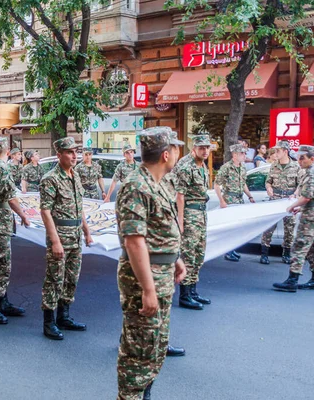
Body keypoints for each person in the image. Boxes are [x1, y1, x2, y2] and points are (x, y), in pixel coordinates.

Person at [115, 127, 187, 400]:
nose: (179, 153)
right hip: (145, 278)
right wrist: (147, 289)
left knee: (156, 344)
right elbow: (134, 241)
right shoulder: (136, 185)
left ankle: (144, 394)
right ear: (166, 154)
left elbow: (159, 230)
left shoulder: (159, 183)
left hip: (162, 273)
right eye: (177, 149)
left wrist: (175, 258)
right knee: (139, 349)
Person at [40, 137, 93, 340]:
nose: (74, 156)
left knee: (71, 278)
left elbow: (80, 209)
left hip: (76, 235)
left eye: (75, 151)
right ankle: (49, 322)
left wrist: (87, 232)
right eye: (70, 152)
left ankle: (64, 316)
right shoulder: (51, 178)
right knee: (54, 279)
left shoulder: (75, 176)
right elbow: (45, 211)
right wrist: (55, 241)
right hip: (60, 236)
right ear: (59, 154)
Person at [0, 138, 30, 324]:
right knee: (2, 264)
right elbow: (11, 197)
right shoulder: (2, 169)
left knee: (2, 262)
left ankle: (3, 301)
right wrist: (23, 216)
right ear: (7, 150)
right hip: (0, 219)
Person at [273, 145, 314, 292]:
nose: (299, 160)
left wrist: (292, 206)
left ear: (312, 159)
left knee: (299, 246)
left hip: (310, 217)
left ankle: (292, 280)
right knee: (313, 248)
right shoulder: (310, 172)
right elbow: (313, 197)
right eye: (298, 157)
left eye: (302, 158)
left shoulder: (312, 174)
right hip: (313, 213)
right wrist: (299, 207)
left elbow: (306, 197)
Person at [175, 135, 212, 311]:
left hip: (200, 214)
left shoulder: (202, 165)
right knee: (188, 255)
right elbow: (179, 195)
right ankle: (185, 295)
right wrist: (180, 221)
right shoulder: (185, 165)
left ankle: (193, 291)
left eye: (207, 147)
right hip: (189, 214)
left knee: (199, 254)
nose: (205, 151)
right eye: (201, 148)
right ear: (194, 148)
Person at [214, 143, 256, 262]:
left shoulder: (242, 167)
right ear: (235, 155)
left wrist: (250, 196)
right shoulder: (226, 167)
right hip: (229, 200)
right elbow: (217, 185)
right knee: (230, 227)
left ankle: (233, 249)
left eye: (244, 153)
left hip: (239, 200)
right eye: (242, 153)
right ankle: (228, 251)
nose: (244, 155)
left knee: (237, 227)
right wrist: (222, 201)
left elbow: (243, 184)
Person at [260, 141, 300, 265]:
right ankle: (264, 254)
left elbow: (300, 184)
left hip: (289, 201)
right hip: (275, 200)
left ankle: (286, 254)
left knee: (289, 228)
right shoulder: (273, 166)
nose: (275, 153)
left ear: (285, 151)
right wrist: (269, 188)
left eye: (278, 151)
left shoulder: (296, 166)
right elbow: (268, 181)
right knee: (269, 227)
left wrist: (295, 194)